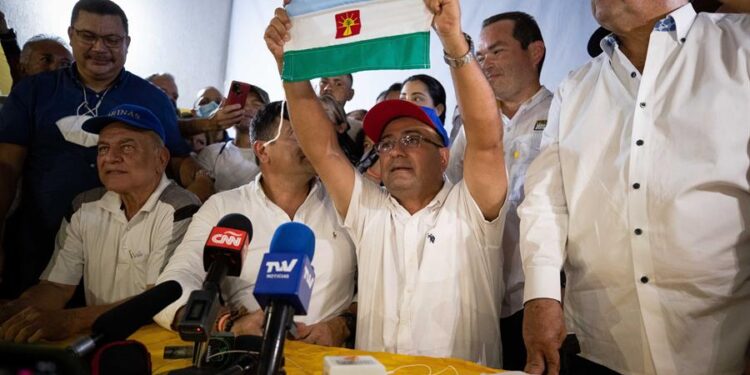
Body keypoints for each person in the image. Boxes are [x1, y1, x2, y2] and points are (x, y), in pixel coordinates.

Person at [264, 0, 507, 367]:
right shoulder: (369, 209)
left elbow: (486, 139)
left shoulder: (471, 208)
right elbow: (324, 150)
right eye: (387, 143)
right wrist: (291, 64)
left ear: (443, 156)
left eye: (412, 139)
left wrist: (454, 43)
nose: (394, 151)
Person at [519, 1, 750, 374]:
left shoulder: (740, 47)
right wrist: (542, 295)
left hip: (723, 349)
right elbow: (547, 200)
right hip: (602, 349)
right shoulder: (574, 88)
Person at [0, 0, 191, 300]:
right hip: (36, 242)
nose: (100, 48)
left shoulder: (153, 99)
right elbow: (7, 168)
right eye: (89, 36)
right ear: (72, 35)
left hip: (125, 243)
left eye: (112, 40)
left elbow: (178, 158)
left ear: (127, 43)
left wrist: (202, 184)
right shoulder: (34, 92)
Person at [155, 101, 357, 348]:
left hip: (329, 362)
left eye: (315, 131)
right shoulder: (224, 208)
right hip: (247, 357)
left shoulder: (348, 204)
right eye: (298, 133)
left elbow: (379, 286)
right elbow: (175, 283)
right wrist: (227, 323)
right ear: (262, 151)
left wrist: (341, 326)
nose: (313, 141)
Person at [0, 104, 199, 343]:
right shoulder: (84, 206)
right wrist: (17, 311)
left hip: (153, 346)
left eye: (127, 147)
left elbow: (157, 301)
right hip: (100, 342)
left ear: (161, 158)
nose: (111, 158)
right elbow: (57, 287)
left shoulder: (181, 209)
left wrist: (70, 320)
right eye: (103, 148)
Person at [445, 11, 549, 370]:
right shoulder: (472, 128)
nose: (485, 63)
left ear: (534, 52)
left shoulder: (565, 111)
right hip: (475, 298)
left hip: (543, 299)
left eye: (497, 51)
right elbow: (448, 190)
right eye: (482, 55)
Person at [192, 84, 269, 193]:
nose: (247, 108)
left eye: (256, 104)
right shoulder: (211, 153)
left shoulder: (272, 156)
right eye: (242, 104)